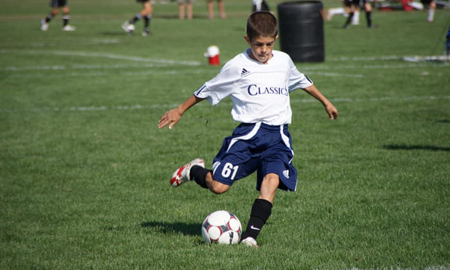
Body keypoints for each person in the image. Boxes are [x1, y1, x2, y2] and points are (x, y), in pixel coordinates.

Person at [158, 11, 338, 247]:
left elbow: (301, 80)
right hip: (248, 137)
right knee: (218, 187)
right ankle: (193, 171)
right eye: (258, 44)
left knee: (271, 181)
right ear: (247, 40)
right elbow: (208, 88)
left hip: (278, 137)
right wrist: (180, 109)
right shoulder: (237, 65)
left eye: (269, 44)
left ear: (276, 38)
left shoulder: (283, 61)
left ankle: (250, 236)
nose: (264, 50)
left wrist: (325, 101)